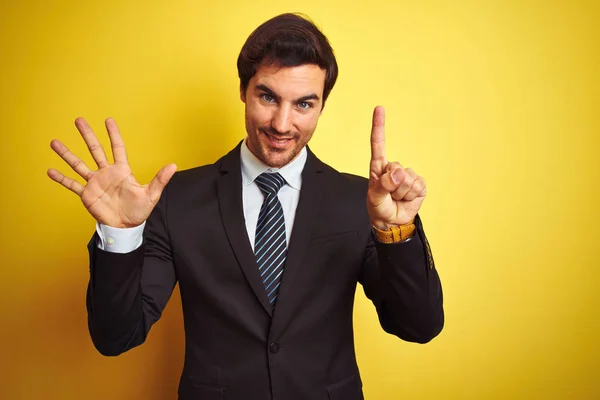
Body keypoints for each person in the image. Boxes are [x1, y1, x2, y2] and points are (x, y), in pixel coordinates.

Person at [48, 13, 443, 400]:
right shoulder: (177, 198)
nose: (282, 123)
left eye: (304, 104)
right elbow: (116, 337)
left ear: (322, 105)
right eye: (268, 97)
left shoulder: (361, 203)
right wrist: (121, 234)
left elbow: (419, 326)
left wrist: (397, 233)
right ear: (243, 89)